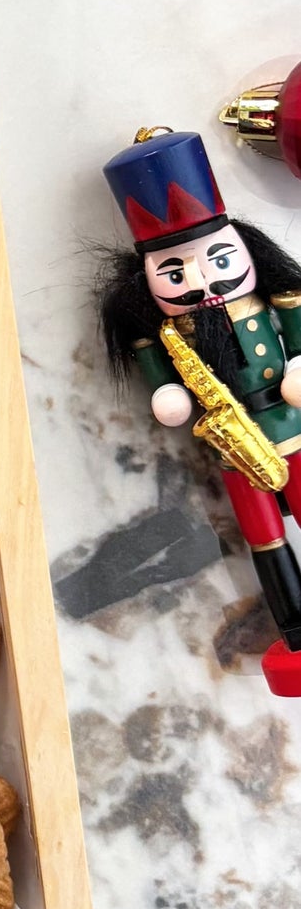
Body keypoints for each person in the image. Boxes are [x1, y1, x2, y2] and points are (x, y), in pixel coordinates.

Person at [100, 125, 301, 695]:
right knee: (265, 540)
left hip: (290, 427)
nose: (202, 283)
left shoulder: (275, 298)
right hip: (231, 447)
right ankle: (296, 629)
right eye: (174, 272)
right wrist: (169, 395)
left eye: (216, 258)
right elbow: (164, 389)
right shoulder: (165, 336)